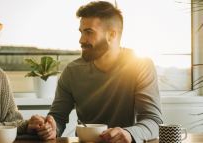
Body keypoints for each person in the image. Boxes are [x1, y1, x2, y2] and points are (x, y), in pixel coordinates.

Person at [47, 1, 163, 143]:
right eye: (81, 32)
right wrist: (50, 129)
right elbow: (57, 119)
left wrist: (129, 133)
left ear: (111, 35)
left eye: (89, 32)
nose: (81, 40)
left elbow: (153, 120)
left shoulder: (140, 64)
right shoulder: (72, 71)